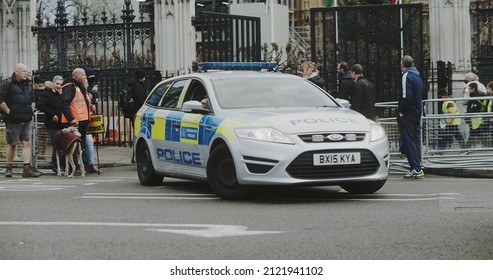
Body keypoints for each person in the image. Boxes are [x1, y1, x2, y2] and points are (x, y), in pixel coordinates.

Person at [0, 63, 42, 177]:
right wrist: (9, 112)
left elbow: (32, 98)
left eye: (26, 71)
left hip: (26, 118)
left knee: (27, 142)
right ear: (16, 72)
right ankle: (8, 168)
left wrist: (31, 110)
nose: (26, 73)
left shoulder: (28, 83)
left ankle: (26, 168)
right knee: (12, 143)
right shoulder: (7, 83)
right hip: (13, 119)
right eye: (24, 71)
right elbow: (1, 99)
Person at [397, 55, 424, 179]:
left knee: (408, 141)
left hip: (408, 113)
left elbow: (406, 95)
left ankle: (416, 168)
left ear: (402, 65)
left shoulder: (406, 76)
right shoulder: (417, 76)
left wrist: (401, 110)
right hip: (416, 111)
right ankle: (417, 166)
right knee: (415, 140)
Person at [60, 68, 91, 171]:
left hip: (81, 121)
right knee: (71, 146)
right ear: (77, 76)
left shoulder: (77, 87)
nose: (85, 77)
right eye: (84, 75)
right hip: (74, 122)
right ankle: (68, 167)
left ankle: (78, 166)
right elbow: (64, 104)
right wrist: (71, 118)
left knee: (79, 147)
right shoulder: (70, 87)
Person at [36, 75, 65, 172]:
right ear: (53, 83)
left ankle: (62, 165)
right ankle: (55, 165)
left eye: (61, 84)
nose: (59, 86)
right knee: (56, 145)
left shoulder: (60, 94)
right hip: (52, 124)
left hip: (62, 123)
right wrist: (52, 114)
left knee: (62, 145)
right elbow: (40, 105)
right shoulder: (47, 94)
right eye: (57, 84)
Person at [83, 67, 102, 173]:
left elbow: (95, 100)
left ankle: (91, 163)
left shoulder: (93, 88)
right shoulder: (79, 91)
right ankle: (84, 164)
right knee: (85, 143)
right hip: (82, 118)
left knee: (90, 142)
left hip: (90, 117)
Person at [436, 88, 466, 153]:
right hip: (452, 122)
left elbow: (453, 113)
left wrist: (448, 121)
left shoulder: (448, 102)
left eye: (440, 97)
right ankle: (464, 150)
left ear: (443, 95)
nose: (440, 99)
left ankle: (439, 152)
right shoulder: (448, 101)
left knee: (445, 137)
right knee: (456, 136)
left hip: (451, 123)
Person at [127, 69, 147, 163]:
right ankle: (136, 156)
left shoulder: (130, 85)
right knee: (138, 135)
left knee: (136, 134)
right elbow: (143, 101)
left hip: (132, 113)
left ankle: (135, 156)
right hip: (138, 114)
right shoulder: (138, 87)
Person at [465, 82, 487, 148]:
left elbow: (475, 108)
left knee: (473, 133)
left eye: (469, 89)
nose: (468, 90)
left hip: (476, 119)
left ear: (473, 89)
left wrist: (468, 114)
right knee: (478, 133)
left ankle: (466, 148)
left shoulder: (476, 97)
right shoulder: (474, 96)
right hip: (475, 119)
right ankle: (488, 145)